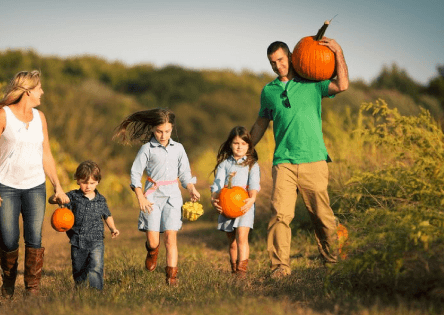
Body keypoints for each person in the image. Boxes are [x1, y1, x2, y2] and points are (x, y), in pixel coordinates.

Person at [249, 38, 349, 278]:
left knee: (321, 215)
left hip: (313, 158)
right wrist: (245, 150)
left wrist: (338, 51)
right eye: (272, 63)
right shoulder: (269, 91)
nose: (277, 66)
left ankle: (333, 261)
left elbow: (342, 84)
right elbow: (262, 122)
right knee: (280, 215)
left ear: (291, 57)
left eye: (281, 60)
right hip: (283, 161)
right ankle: (280, 267)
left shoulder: (313, 83)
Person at [0, 70, 70, 297]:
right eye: (39, 88)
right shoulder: (3, 115)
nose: (43, 92)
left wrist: (57, 186)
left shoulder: (40, 118)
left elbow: (46, 154)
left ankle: (32, 289)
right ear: (28, 90)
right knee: (9, 239)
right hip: (5, 186)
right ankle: (8, 283)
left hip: (35, 186)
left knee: (34, 238)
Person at [114, 108, 200, 286]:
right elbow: (135, 173)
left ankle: (172, 277)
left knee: (170, 237)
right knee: (153, 241)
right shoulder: (147, 149)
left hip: (173, 197)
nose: (163, 135)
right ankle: (152, 252)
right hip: (151, 197)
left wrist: (191, 188)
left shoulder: (179, 149)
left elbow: (184, 174)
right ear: (153, 129)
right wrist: (140, 197)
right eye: (159, 131)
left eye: (167, 131)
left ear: (172, 129)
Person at [48, 160, 119, 290]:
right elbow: (51, 200)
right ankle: (80, 289)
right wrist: (58, 196)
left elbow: (107, 215)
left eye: (92, 183)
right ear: (78, 181)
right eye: (84, 182)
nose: (88, 186)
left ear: (97, 182)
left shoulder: (101, 199)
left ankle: (96, 291)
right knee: (79, 268)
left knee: (96, 266)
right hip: (77, 240)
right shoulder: (73, 196)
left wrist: (112, 228)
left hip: (96, 240)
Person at [210, 126, 260, 278]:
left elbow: (253, 185)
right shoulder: (224, 164)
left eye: (243, 144)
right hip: (226, 205)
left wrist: (252, 199)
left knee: (242, 238)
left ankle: (241, 271)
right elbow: (218, 185)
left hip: (244, 205)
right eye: (236, 143)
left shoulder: (252, 164)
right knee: (232, 242)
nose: (239, 147)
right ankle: (233, 269)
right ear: (230, 144)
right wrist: (214, 198)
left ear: (249, 146)